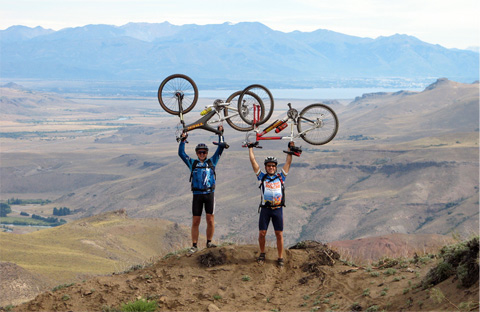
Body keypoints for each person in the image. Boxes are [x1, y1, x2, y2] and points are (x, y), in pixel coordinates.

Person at [178, 127, 226, 254]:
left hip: (209, 194)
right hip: (197, 195)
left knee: (210, 219)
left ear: (206, 153)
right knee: (196, 221)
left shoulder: (212, 162)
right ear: (197, 153)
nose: (202, 154)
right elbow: (181, 154)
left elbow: (221, 148)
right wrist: (183, 140)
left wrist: (220, 134)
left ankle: (209, 242)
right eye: (200, 152)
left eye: (204, 152)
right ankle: (194, 245)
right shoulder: (192, 163)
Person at [248, 141, 294, 267]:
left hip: (278, 210)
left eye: (273, 166)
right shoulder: (261, 177)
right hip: (265, 210)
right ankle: (262, 253)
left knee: (279, 234)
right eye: (269, 166)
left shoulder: (281, 177)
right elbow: (253, 163)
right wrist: (250, 149)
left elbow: (288, 162)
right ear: (266, 167)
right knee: (262, 233)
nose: (271, 168)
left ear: (276, 167)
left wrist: (289, 148)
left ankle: (280, 257)